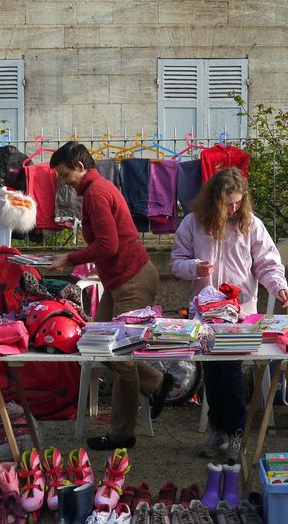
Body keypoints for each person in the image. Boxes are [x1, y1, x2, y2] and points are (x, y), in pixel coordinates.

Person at [46, 141, 174, 451]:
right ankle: (157, 383)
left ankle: (122, 433)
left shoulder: (96, 194)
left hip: (131, 279)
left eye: (64, 175)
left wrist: (69, 258)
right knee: (98, 347)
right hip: (123, 280)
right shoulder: (96, 190)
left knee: (119, 355)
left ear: (79, 167)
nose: (63, 183)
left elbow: (108, 246)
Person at [170, 167, 288, 463]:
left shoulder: (251, 225)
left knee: (233, 372)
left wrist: (279, 286)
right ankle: (218, 429)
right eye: (228, 203)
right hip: (206, 314)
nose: (234, 208)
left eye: (238, 202)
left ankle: (235, 431)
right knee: (212, 373)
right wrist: (194, 267)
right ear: (214, 200)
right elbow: (176, 262)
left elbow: (267, 263)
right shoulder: (192, 223)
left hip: (239, 314)